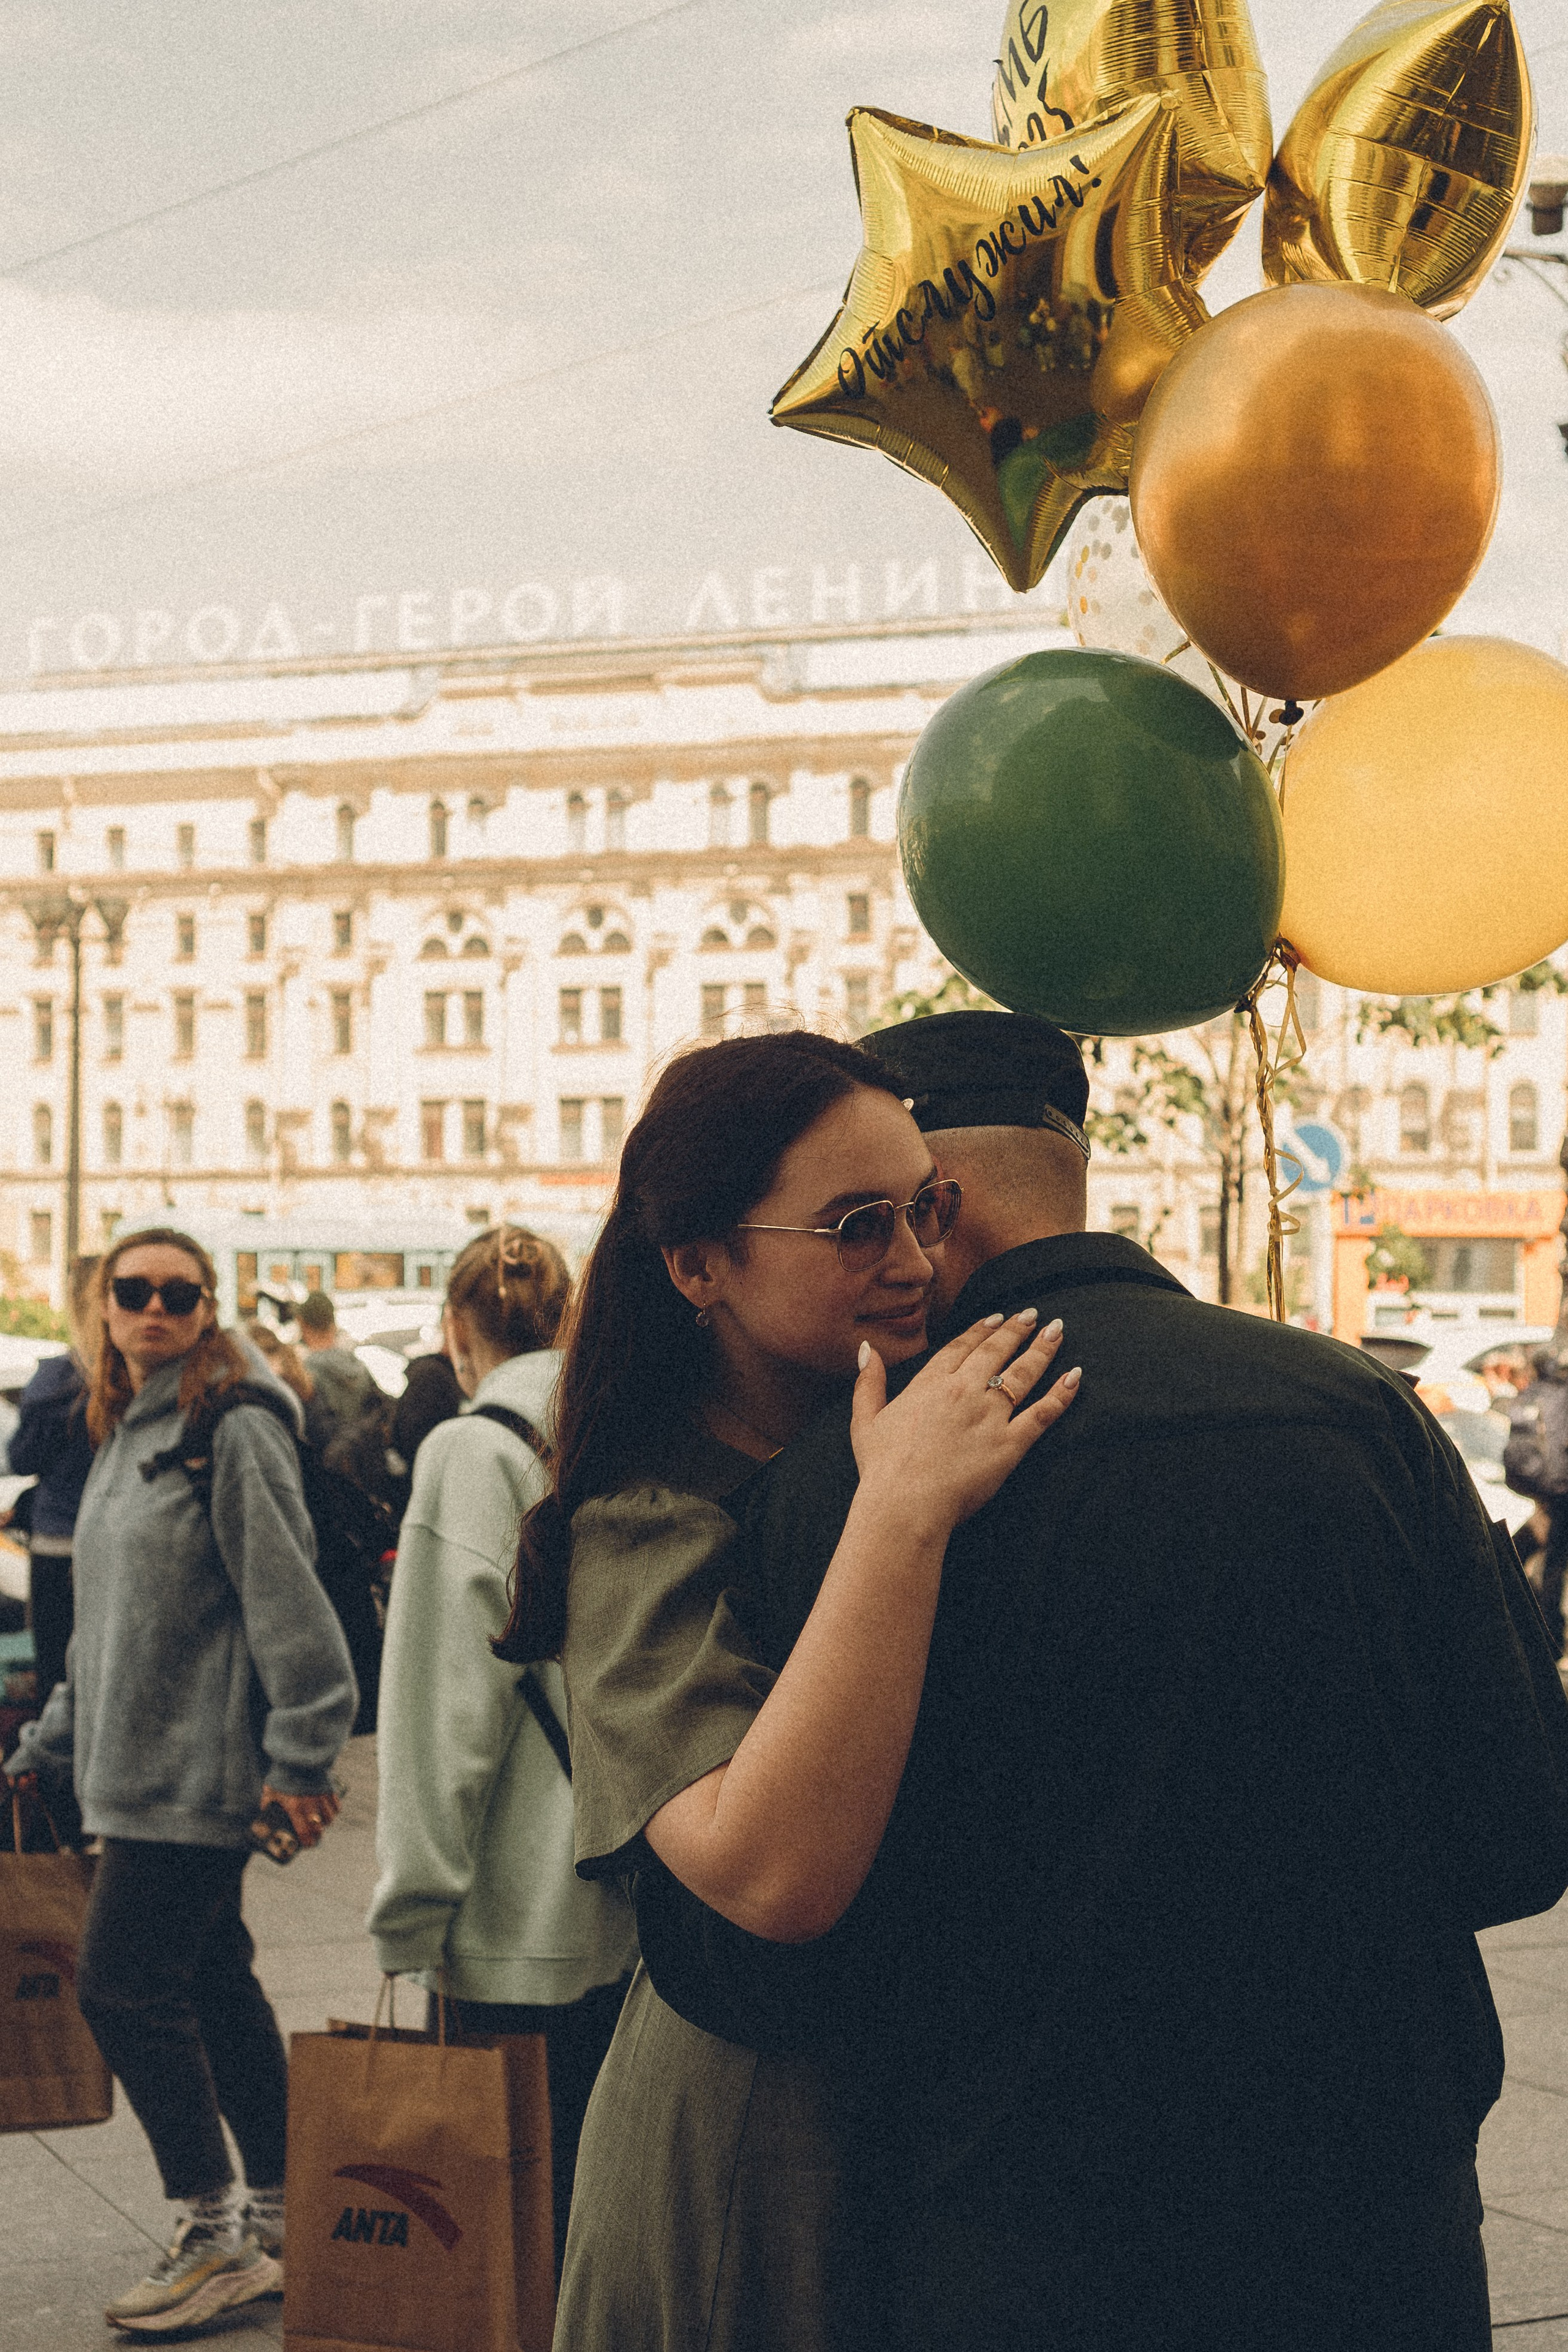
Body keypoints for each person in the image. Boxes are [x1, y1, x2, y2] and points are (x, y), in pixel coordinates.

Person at [648, 1011, 1568, 2352]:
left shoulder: (847, 1492)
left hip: (1007, 2251)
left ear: (936, 1204)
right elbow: (1518, 1843)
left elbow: (765, 1968)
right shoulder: (1356, 1415)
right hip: (1370, 2237)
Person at [495, 1030, 1079, 2352]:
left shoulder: (903, 1417)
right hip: (752, 2140)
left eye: (924, 1206)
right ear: (697, 1264)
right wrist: (900, 1514)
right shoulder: (645, 1517)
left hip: (945, 2110)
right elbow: (767, 1873)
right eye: (853, 1225)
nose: (915, 1260)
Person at [7, 1227, 358, 2339]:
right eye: (133, 1290)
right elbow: (104, 1628)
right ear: (103, 1306)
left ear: (208, 1308)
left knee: (119, 1985)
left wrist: (305, 1752)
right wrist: (50, 1742)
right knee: (215, 1983)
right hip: (130, 1767)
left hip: (195, 1775)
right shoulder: (126, 1428)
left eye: (179, 1293)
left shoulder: (232, 1423)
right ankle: (288, 2217)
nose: (154, 1308)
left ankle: (214, 2235)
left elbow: (289, 1602)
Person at [367, 1225, 638, 2283]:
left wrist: (411, 1914)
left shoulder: (469, 1452)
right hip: (636, 1899)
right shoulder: (623, 1431)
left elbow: (445, 1710)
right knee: (591, 2224)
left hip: (508, 1923)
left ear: (454, 1331)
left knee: (494, 2244)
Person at [5, 1254, 99, 1700]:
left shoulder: (58, 1379)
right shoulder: (133, 1380)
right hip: (118, 1541)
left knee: (57, 1674)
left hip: (58, 1537)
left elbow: (23, 1458)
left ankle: (57, 1767)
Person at [290, 1289, 377, 1445]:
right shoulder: (358, 1366)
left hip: (327, 1461)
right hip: (364, 1457)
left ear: (302, 1324)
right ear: (333, 1324)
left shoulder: (306, 1373)